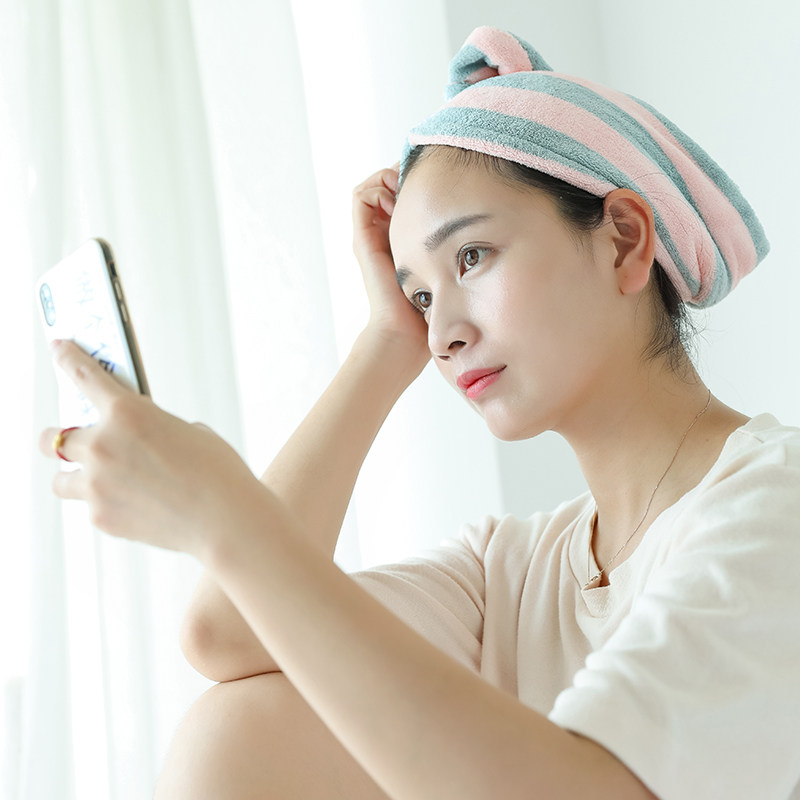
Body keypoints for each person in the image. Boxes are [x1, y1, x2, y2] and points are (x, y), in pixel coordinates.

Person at [40, 26, 800, 800]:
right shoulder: (508, 571)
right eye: (421, 297)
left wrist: (222, 511)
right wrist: (384, 342)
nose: (442, 335)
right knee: (237, 723)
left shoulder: (777, 502)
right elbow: (228, 634)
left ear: (624, 242)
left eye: (472, 256)